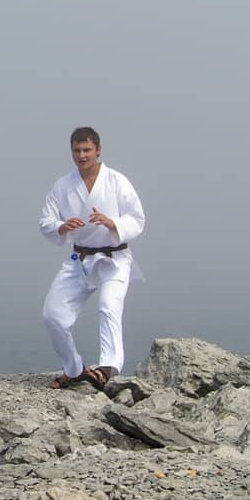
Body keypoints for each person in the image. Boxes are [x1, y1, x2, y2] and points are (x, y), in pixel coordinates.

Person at [38, 126, 145, 390]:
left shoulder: (117, 181)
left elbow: (137, 218)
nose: (82, 155)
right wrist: (61, 226)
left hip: (114, 259)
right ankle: (74, 369)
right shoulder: (63, 185)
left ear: (98, 149)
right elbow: (45, 220)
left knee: (109, 306)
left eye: (87, 150)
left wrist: (112, 223)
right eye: (77, 150)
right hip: (79, 259)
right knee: (52, 315)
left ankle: (108, 367)